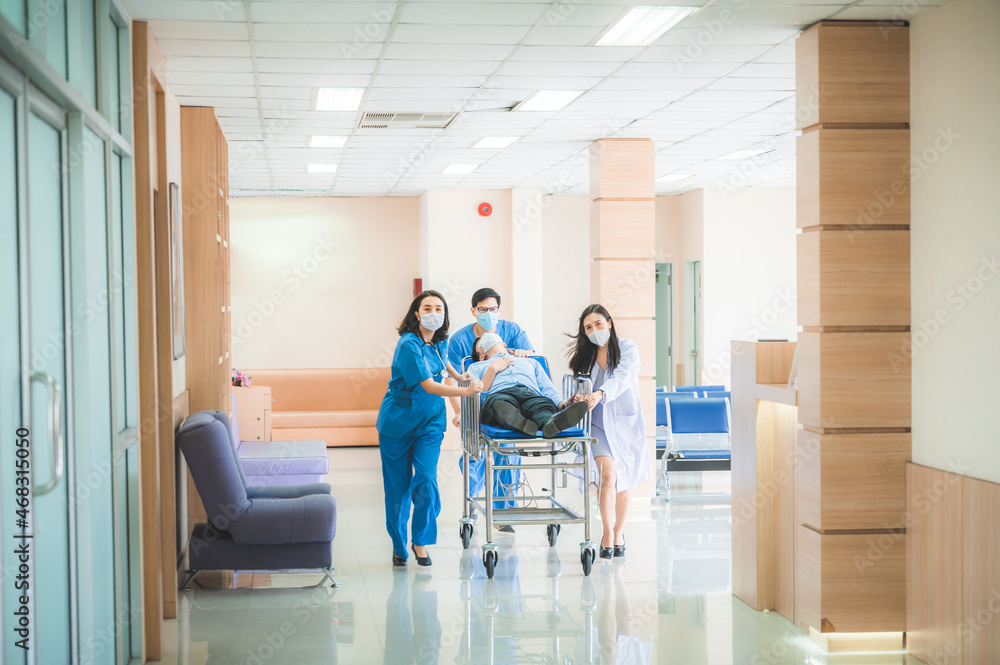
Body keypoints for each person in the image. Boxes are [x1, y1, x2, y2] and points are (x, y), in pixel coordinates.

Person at [376, 290, 484, 567]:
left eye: (439, 308)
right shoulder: (408, 344)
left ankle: (421, 541)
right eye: (428, 308)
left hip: (430, 423)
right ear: (416, 313)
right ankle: (399, 546)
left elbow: (444, 363)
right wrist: (467, 390)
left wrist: (459, 376)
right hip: (397, 422)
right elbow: (428, 385)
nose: (434, 312)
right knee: (397, 490)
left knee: (425, 477)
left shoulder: (440, 340)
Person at [567, 304, 652, 559]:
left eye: (598, 324)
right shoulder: (586, 357)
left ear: (610, 323)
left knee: (624, 485)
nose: (594, 331)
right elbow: (581, 386)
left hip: (625, 426)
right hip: (597, 426)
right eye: (588, 328)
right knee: (608, 476)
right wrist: (578, 398)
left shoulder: (628, 349)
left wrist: (601, 393)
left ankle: (619, 532)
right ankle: (605, 532)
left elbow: (624, 377)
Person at [447, 287, 536, 526]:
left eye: (493, 309)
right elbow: (451, 378)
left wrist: (526, 354)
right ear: (473, 311)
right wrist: (459, 413)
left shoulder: (513, 331)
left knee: (506, 452)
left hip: (508, 401)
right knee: (474, 453)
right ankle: (473, 501)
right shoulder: (459, 341)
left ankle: (503, 511)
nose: (489, 314)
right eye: (483, 310)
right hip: (476, 403)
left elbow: (532, 362)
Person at [468, 333, 588, 438]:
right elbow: (476, 395)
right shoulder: (477, 366)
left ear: (505, 345)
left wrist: (564, 405)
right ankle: (516, 420)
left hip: (530, 395)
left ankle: (549, 423)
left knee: (543, 405)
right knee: (497, 405)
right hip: (500, 395)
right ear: (481, 354)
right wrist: (493, 369)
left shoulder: (530, 361)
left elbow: (547, 388)